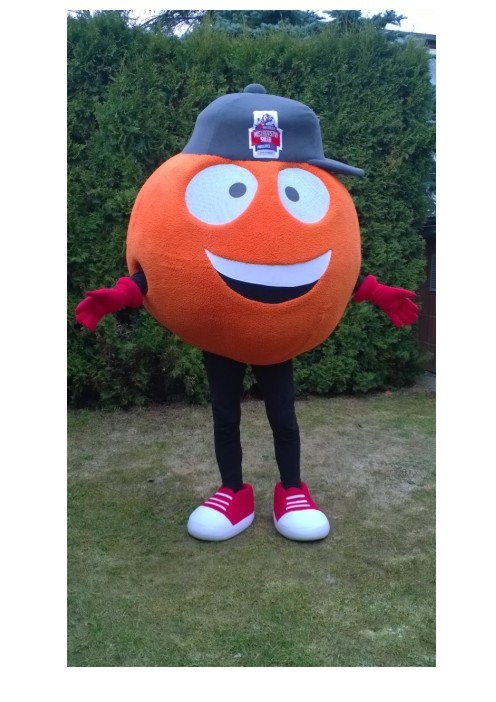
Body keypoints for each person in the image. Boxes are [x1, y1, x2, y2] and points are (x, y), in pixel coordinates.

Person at [75, 84, 419, 542]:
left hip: (276, 340)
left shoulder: (321, 203)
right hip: (222, 339)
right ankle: (232, 491)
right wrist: (122, 294)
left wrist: (373, 291)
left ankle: (292, 489)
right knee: (225, 415)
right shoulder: (181, 182)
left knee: (283, 416)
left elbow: (334, 269)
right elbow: (159, 271)